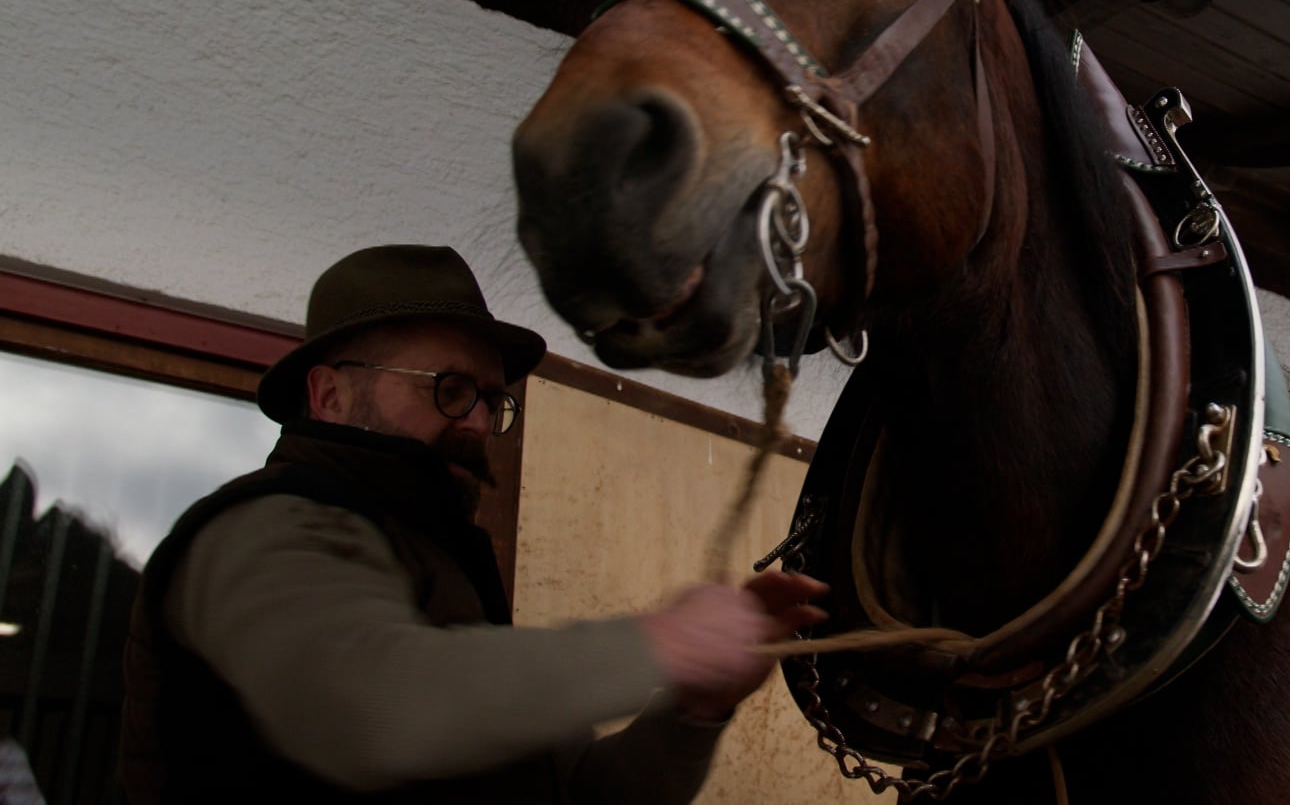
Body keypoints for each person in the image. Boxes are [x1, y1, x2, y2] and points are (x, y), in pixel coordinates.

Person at [118, 244, 826, 803]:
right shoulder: (265, 530)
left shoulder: (437, 562)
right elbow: (369, 710)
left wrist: (693, 710)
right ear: (329, 393)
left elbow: (580, 795)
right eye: (450, 391)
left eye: (493, 401)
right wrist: (661, 644)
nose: (482, 423)